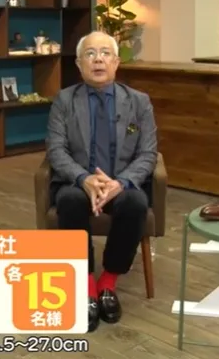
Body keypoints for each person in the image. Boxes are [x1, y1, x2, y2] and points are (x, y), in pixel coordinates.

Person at [46, 31, 157, 332]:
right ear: (79, 64)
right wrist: (83, 179)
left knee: (135, 203)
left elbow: (148, 153)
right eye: (90, 54)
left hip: (121, 182)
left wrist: (121, 183)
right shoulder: (64, 100)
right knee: (69, 201)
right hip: (78, 181)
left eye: (105, 53)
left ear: (116, 62)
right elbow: (56, 150)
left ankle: (108, 282)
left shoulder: (139, 102)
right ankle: (86, 286)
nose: (98, 60)